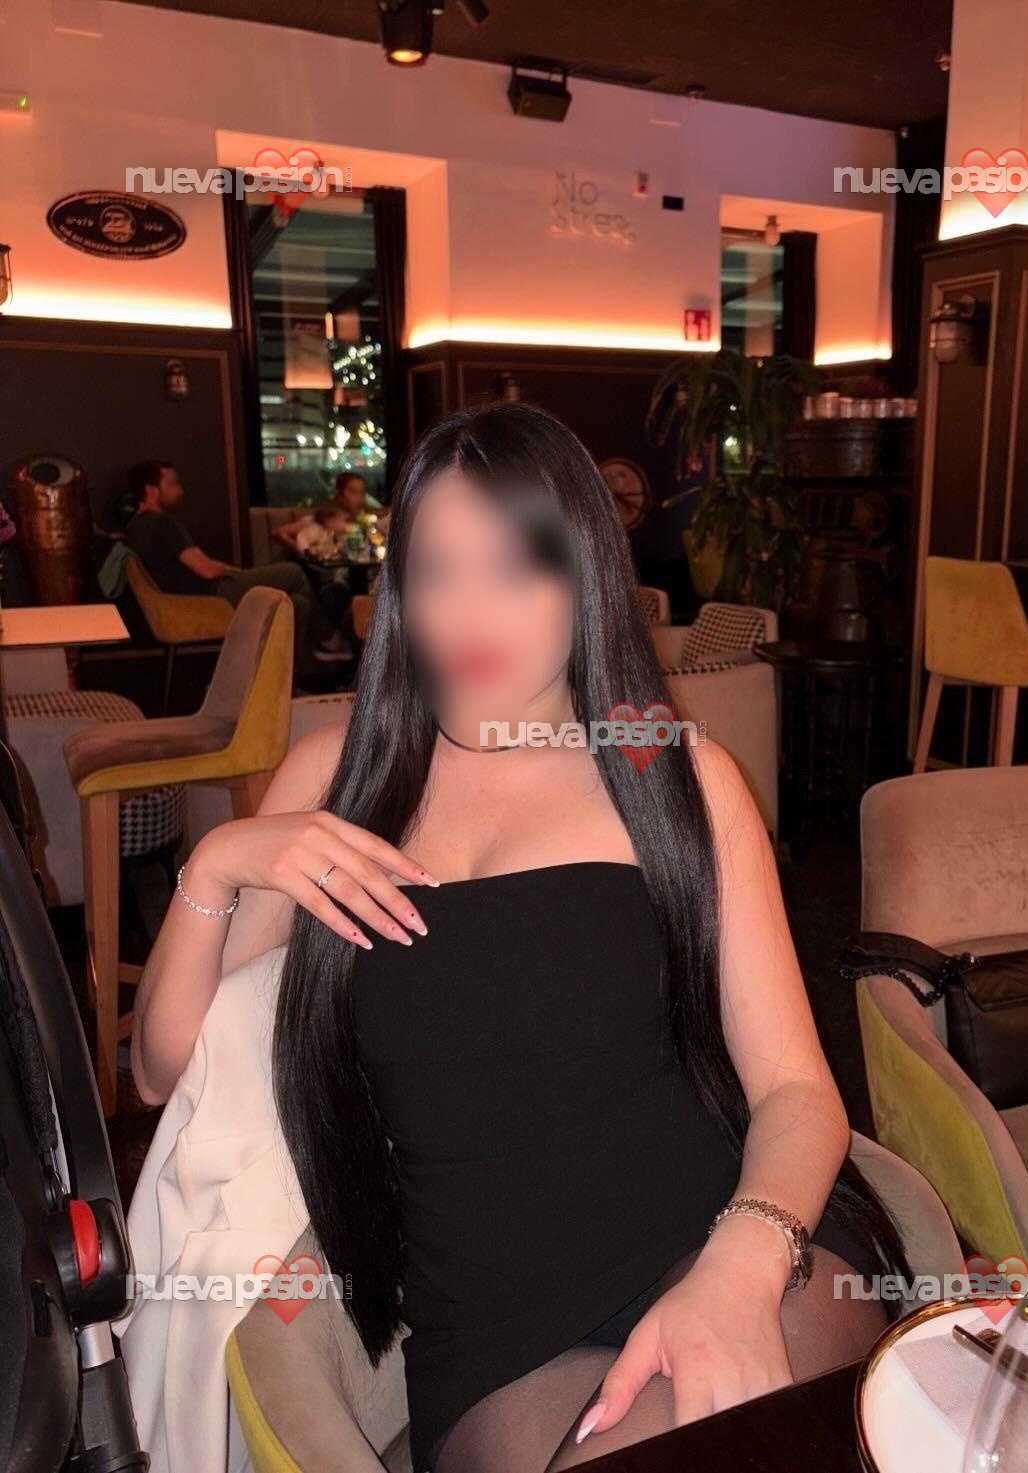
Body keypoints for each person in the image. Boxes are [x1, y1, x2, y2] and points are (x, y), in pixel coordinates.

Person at [129, 403, 905, 1473]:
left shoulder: (661, 766)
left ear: (583, 574)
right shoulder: (340, 778)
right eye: (435, 570)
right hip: (494, 1327)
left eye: (512, 568)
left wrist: (738, 1264)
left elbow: (796, 1089)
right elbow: (160, 1071)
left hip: (733, 1236)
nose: (469, 612)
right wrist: (218, 864)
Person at [122, 461, 351, 664]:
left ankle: (291, 678)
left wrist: (232, 572)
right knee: (293, 572)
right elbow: (207, 570)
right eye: (173, 484)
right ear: (151, 490)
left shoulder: (135, 528)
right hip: (212, 595)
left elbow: (198, 564)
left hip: (182, 600)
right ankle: (328, 639)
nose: (180, 490)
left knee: (298, 604)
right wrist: (234, 572)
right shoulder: (163, 524)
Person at [274, 469, 369, 555]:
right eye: (353, 492)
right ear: (339, 494)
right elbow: (278, 532)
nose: (360, 498)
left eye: (362, 492)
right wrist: (304, 551)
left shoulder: (361, 522)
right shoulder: (323, 520)